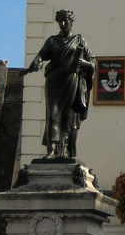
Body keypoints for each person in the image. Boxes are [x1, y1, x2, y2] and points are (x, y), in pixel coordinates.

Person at [22, 9, 95, 160]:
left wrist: (86, 63)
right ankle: (51, 150)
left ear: (71, 21)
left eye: (66, 20)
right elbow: (40, 56)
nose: (63, 24)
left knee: (69, 117)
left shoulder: (80, 41)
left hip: (72, 82)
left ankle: (66, 150)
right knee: (53, 114)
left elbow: (93, 61)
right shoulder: (52, 41)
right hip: (54, 82)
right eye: (60, 21)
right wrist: (36, 62)